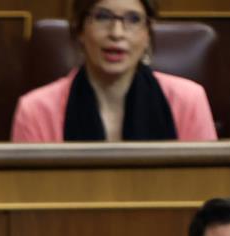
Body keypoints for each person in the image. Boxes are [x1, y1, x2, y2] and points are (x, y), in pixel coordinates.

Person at [11, 0, 215, 142]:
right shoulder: (35, 110)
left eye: (133, 19)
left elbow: (206, 189)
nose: (117, 33)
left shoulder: (189, 100)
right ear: (80, 29)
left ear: (147, 33)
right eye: (102, 17)